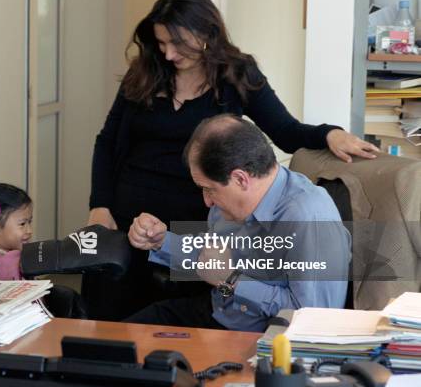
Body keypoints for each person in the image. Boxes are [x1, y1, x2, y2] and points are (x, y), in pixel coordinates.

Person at [83, 0, 376, 321]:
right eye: (161, 43)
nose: (167, 54)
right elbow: (107, 141)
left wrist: (329, 133)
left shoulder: (237, 74)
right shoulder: (145, 72)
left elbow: (285, 131)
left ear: (205, 33)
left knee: (206, 317)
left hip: (198, 221)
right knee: (109, 317)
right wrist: (100, 205)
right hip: (132, 216)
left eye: (176, 43)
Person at [125, 115, 351, 331]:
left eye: (209, 189)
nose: (207, 201)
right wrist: (161, 242)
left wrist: (231, 280)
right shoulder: (228, 205)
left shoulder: (308, 216)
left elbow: (313, 318)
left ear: (241, 179)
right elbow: (211, 263)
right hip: (218, 314)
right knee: (116, 345)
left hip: (263, 340)